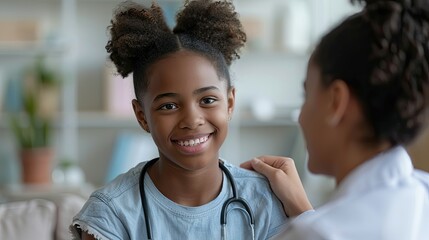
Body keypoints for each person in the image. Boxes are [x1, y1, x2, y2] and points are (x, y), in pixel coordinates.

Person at [70, 1, 289, 239]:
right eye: (169, 106)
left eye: (207, 100)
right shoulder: (110, 213)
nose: (192, 120)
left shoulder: (264, 199)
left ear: (230, 103)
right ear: (142, 116)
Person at [241, 0, 429, 239]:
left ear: (336, 102)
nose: (301, 116)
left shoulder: (316, 234)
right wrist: (305, 213)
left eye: (306, 95)